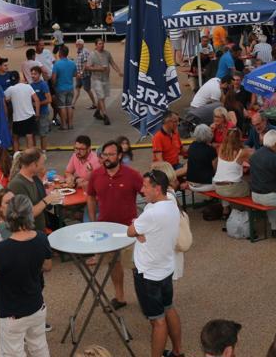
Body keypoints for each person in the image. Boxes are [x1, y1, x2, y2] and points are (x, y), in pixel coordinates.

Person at [0, 194, 52, 357]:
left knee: (13, 353)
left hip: (11, 313)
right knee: (40, 347)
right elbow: (47, 266)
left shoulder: (2, 249)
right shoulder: (41, 238)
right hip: (36, 306)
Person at [128, 170, 183, 357]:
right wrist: (141, 230)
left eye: (145, 186)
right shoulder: (171, 205)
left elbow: (130, 231)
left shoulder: (150, 214)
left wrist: (138, 229)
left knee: (157, 321)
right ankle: (177, 351)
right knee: (169, 308)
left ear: (157, 189)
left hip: (148, 274)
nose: (142, 190)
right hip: (166, 269)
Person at [87, 140, 143, 310]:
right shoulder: (96, 175)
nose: (107, 158)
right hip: (106, 230)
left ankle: (145, 300)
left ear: (120, 156)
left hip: (129, 230)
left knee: (136, 267)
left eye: (111, 154)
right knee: (113, 264)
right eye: (104, 154)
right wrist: (92, 220)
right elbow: (90, 195)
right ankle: (120, 297)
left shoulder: (132, 175)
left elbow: (148, 194)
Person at [10, 148, 61, 233]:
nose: (43, 167)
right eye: (42, 163)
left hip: (40, 229)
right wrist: (47, 200)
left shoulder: (34, 178)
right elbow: (27, 214)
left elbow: (42, 203)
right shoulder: (17, 184)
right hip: (28, 235)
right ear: (34, 164)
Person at [87, 38, 122, 125]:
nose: (101, 45)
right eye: (99, 44)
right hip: (96, 79)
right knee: (101, 97)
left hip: (106, 78)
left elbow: (112, 63)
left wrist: (118, 71)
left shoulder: (107, 53)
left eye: (102, 43)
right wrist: (98, 68)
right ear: (96, 45)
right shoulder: (92, 55)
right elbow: (87, 67)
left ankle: (97, 112)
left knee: (102, 97)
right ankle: (105, 116)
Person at [5, 71, 40, 151]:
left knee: (15, 138)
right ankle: (30, 157)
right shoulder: (28, 86)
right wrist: (37, 113)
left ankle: (16, 157)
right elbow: (37, 100)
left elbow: (4, 99)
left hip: (17, 118)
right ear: (19, 78)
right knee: (29, 137)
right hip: (30, 116)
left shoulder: (10, 89)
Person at [183, 124, 217, 191]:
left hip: (191, 183)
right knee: (225, 184)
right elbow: (215, 168)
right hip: (205, 185)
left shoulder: (192, 145)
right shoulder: (210, 149)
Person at [51, 45, 77, 130]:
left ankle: (64, 125)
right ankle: (70, 124)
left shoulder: (57, 64)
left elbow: (54, 78)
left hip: (60, 88)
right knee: (69, 106)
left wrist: (53, 86)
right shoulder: (72, 63)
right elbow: (75, 74)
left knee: (62, 107)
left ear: (60, 53)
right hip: (70, 87)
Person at [29, 66, 52, 151]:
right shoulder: (30, 85)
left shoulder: (43, 85)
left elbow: (49, 99)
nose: (33, 75)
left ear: (39, 74)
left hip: (43, 113)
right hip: (33, 113)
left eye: (35, 74)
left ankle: (43, 151)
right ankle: (35, 151)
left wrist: (38, 104)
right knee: (33, 134)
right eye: (32, 73)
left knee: (43, 133)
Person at [74, 38, 96, 108]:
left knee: (87, 89)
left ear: (81, 44)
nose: (76, 45)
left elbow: (85, 63)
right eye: (76, 44)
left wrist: (81, 72)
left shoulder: (85, 51)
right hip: (79, 74)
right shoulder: (79, 51)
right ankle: (73, 104)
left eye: (77, 44)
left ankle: (94, 104)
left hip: (85, 75)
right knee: (77, 88)